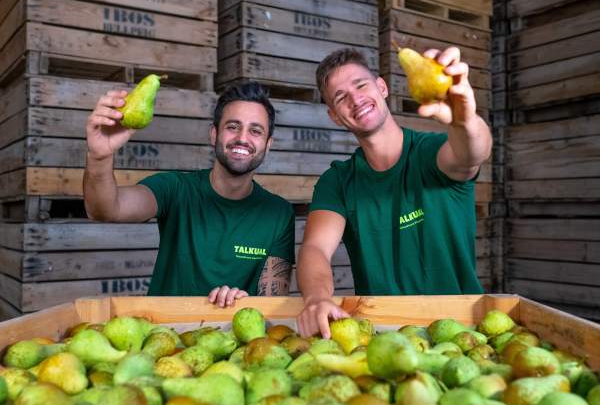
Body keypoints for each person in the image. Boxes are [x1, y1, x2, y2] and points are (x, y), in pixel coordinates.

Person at [296, 47, 493, 337]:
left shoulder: (430, 153)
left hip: (462, 332)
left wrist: (465, 122)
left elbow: (472, 154)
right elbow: (315, 249)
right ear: (335, 116)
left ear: (382, 87)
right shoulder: (337, 181)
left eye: (361, 85)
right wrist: (317, 298)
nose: (355, 99)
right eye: (341, 97)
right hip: (383, 337)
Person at [83, 82, 295, 307]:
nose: (243, 138)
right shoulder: (175, 189)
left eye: (255, 131)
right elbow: (106, 209)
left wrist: (242, 304)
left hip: (239, 340)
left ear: (268, 144)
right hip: (165, 335)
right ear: (214, 134)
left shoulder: (277, 213)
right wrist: (99, 156)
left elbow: (274, 302)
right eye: (233, 126)